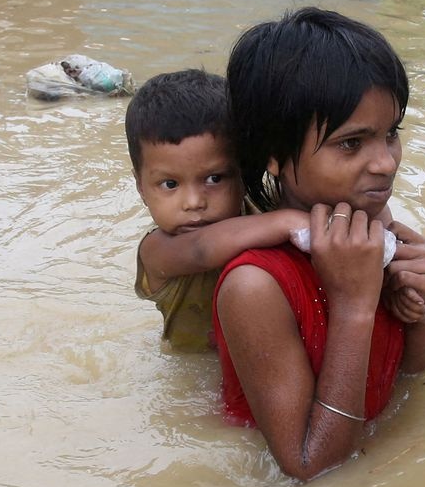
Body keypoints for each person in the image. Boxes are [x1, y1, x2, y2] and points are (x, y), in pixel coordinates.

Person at [214, 7, 425, 482]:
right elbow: (310, 466)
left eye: (391, 134)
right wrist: (355, 305)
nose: (386, 162)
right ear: (274, 155)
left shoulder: (372, 223)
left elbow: (409, 378)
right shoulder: (256, 286)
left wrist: (421, 310)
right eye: (352, 143)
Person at [127, 69, 313, 354]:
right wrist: (289, 221)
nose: (193, 202)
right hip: (193, 365)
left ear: (244, 171)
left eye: (214, 178)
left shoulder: (260, 209)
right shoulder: (157, 250)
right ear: (141, 187)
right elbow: (202, 250)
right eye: (170, 184)